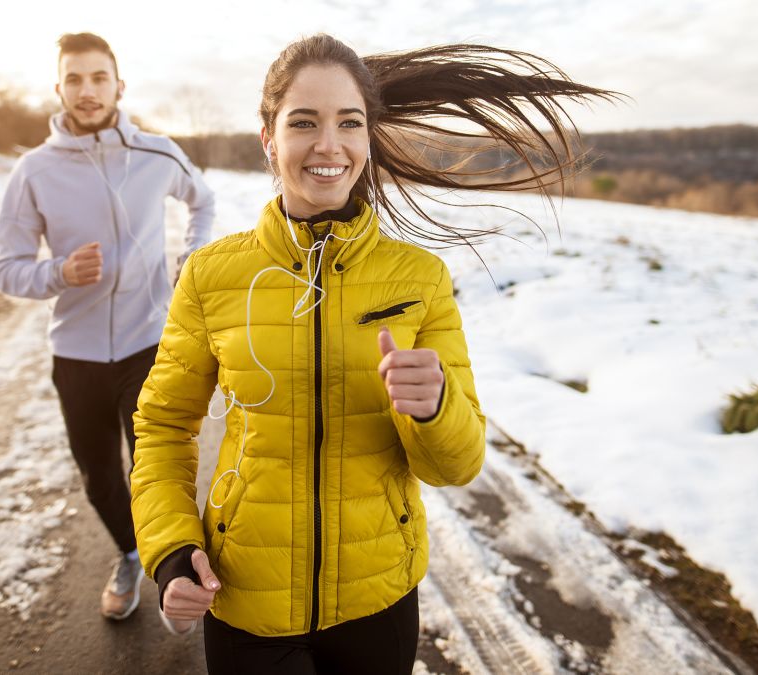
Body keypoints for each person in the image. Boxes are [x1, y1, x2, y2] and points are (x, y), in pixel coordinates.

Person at [130, 34, 613, 673]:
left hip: (378, 599)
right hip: (245, 594)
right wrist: (169, 550)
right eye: (303, 122)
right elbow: (163, 427)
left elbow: (458, 466)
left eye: (348, 123)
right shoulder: (213, 276)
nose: (328, 145)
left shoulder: (419, 279)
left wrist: (435, 405)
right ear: (269, 140)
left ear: (368, 139)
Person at [0, 32, 215, 621]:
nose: (87, 91)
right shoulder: (34, 171)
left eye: (98, 78)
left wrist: (192, 256)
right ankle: (129, 551)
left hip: (149, 341)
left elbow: (204, 200)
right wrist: (58, 273)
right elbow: (5, 269)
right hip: (78, 353)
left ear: (119, 84)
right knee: (99, 478)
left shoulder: (157, 153)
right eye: (74, 79)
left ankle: (172, 575)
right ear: (58, 88)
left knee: (156, 467)